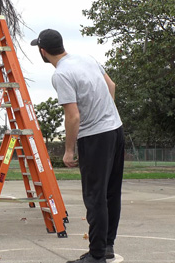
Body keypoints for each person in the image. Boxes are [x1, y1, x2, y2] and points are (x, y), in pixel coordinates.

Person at [31, 29, 125, 263]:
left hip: (95, 137)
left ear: (43, 52)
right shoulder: (87, 58)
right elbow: (111, 86)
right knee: (111, 192)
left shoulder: (61, 74)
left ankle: (96, 255)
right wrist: (106, 114)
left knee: (95, 197)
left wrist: (69, 150)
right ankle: (107, 246)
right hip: (116, 130)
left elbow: (72, 117)